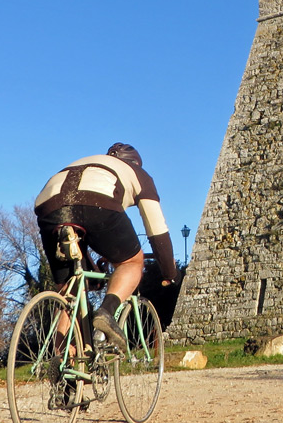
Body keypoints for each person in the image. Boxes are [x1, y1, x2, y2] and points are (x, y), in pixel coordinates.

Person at [34, 143, 179, 349]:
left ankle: (63, 366)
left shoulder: (89, 161)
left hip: (48, 206)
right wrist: (169, 271)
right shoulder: (139, 174)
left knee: (70, 292)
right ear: (135, 162)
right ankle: (107, 312)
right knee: (131, 262)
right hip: (96, 202)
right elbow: (157, 229)